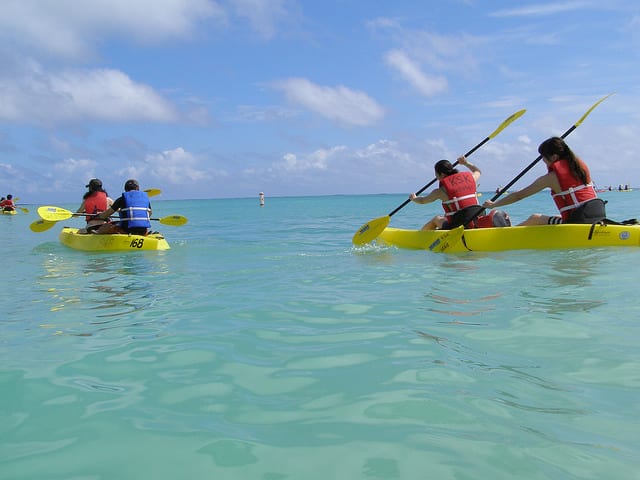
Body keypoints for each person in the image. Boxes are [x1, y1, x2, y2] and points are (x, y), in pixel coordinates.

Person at [483, 137, 606, 226]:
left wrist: (493, 205)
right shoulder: (580, 168)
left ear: (554, 157)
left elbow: (519, 196)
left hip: (577, 223)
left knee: (534, 218)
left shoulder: (551, 178)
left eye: (543, 156)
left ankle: (504, 238)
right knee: (552, 218)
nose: (542, 160)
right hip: (597, 217)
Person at [409, 156, 484, 230]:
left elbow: (422, 201)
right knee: (445, 217)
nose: (436, 177)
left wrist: (414, 198)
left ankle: (421, 239)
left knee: (437, 219)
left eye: (436, 174)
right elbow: (477, 172)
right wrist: (466, 163)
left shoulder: (440, 191)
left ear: (442, 174)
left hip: (458, 226)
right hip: (477, 220)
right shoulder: (470, 179)